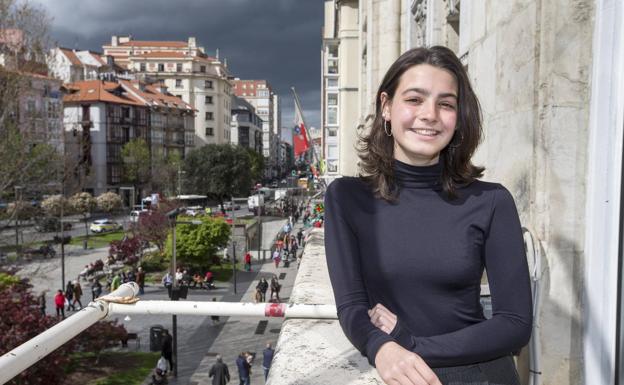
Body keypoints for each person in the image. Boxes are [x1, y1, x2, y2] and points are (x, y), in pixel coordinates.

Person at [324, 46, 532, 385]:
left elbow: (515, 324)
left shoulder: (492, 201)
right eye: (415, 99)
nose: (430, 114)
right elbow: (351, 307)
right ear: (387, 107)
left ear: (459, 117)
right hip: (397, 374)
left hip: (480, 375)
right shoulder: (346, 198)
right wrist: (380, 348)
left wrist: (405, 345)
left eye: (446, 104)